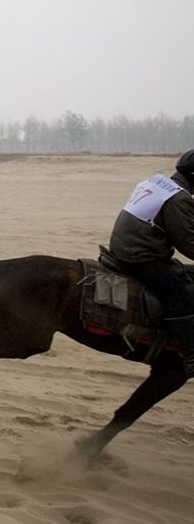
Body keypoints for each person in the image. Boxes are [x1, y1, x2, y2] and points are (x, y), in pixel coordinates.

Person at [108, 150, 194, 377]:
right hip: (140, 255)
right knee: (181, 296)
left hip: (124, 246)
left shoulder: (158, 182)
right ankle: (191, 356)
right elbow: (188, 243)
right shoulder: (180, 199)